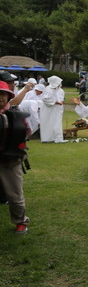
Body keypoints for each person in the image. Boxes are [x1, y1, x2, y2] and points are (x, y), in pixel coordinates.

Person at [0, 81, 31, 234]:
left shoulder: (15, 114)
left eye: (2, 94)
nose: (0, 97)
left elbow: (27, 132)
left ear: (8, 96)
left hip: (10, 161)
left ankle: (20, 221)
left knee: (14, 193)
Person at [40, 75, 66, 143]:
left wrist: (61, 102)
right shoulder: (47, 89)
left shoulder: (61, 90)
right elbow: (45, 99)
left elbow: (61, 98)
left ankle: (57, 137)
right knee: (48, 122)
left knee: (57, 122)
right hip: (48, 109)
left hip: (57, 109)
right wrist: (55, 102)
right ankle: (47, 138)